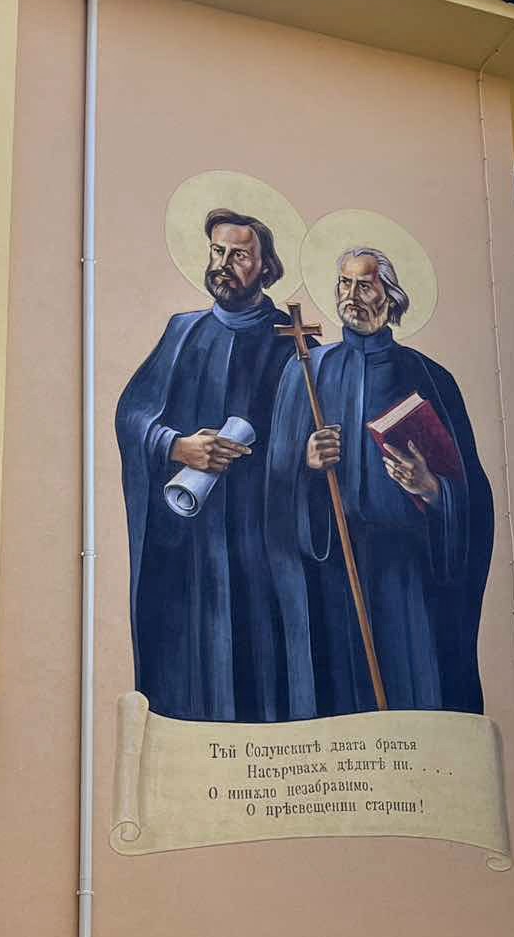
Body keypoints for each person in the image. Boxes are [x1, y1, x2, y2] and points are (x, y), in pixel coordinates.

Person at [268, 246, 494, 717]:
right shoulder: (308, 370)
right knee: (337, 702)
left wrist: (433, 489)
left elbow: (473, 491)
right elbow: (275, 480)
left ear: (390, 297)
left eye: (365, 285)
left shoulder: (430, 376)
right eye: (344, 284)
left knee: (411, 699)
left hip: (406, 572)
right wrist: (307, 461)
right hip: (331, 566)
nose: (351, 296)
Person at [116, 208, 313, 723]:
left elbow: (316, 440)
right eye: (217, 252)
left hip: (261, 541)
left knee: (261, 661)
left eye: (240, 255)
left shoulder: (294, 342)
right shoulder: (182, 332)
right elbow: (131, 415)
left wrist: (305, 459)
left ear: (266, 267)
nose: (224, 263)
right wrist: (175, 446)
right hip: (189, 546)